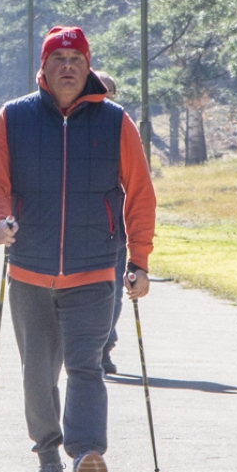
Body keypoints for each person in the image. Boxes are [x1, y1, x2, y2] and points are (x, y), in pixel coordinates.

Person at [0, 27, 156, 472]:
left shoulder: (115, 121)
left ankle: (86, 458)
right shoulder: (13, 117)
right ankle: (48, 460)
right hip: (29, 271)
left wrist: (138, 260)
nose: (69, 66)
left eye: (77, 58)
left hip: (94, 269)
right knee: (38, 373)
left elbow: (139, 193)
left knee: (85, 367)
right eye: (59, 58)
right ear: (44, 67)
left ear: (90, 66)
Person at [95, 72, 125, 376]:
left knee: (113, 293)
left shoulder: (120, 126)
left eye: (109, 91)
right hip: (84, 228)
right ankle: (89, 347)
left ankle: (103, 346)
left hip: (116, 229)